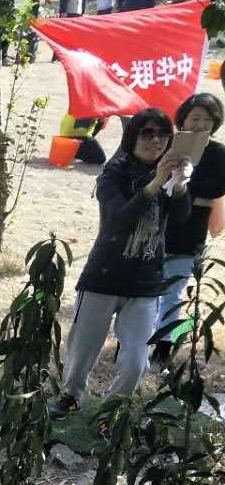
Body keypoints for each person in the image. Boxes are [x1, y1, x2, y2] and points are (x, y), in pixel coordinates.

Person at [51, 109, 190, 419]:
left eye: (162, 134)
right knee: (82, 351)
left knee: (137, 360)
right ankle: (71, 397)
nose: (155, 140)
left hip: (145, 283)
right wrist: (155, 182)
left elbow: (180, 220)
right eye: (147, 133)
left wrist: (179, 185)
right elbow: (117, 221)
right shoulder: (114, 173)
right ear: (133, 137)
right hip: (103, 277)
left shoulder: (171, 173)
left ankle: (111, 412)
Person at [156, 93, 225, 362]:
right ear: (182, 118)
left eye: (207, 120)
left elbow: (217, 188)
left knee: (174, 291)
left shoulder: (218, 153)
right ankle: (134, 343)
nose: (200, 124)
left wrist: (183, 189)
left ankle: (164, 345)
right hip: (157, 228)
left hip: (189, 233)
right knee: (146, 290)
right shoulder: (165, 143)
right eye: (195, 118)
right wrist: (194, 196)